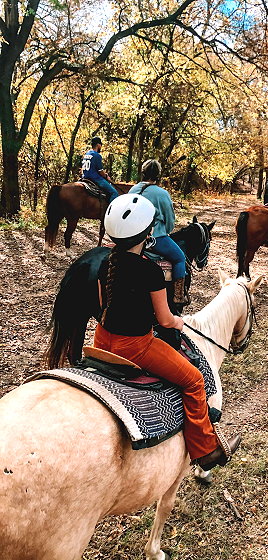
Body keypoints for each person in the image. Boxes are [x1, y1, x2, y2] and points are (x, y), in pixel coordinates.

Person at [94, 193, 241, 470]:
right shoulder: (150, 271)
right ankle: (206, 451)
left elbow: (103, 304)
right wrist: (178, 322)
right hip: (136, 347)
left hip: (100, 340)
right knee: (194, 380)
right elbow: (164, 320)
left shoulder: (105, 263)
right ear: (148, 233)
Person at [129, 160, 188, 304]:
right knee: (180, 258)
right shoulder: (162, 194)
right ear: (158, 175)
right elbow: (170, 222)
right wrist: (165, 230)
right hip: (154, 239)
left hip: (130, 236)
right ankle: (178, 296)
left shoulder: (133, 190)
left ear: (142, 173)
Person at [81, 137, 119, 202]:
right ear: (98, 145)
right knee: (114, 193)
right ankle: (109, 208)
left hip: (84, 177)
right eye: (101, 145)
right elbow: (100, 171)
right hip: (95, 179)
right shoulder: (97, 155)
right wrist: (106, 176)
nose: (101, 147)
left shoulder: (87, 154)